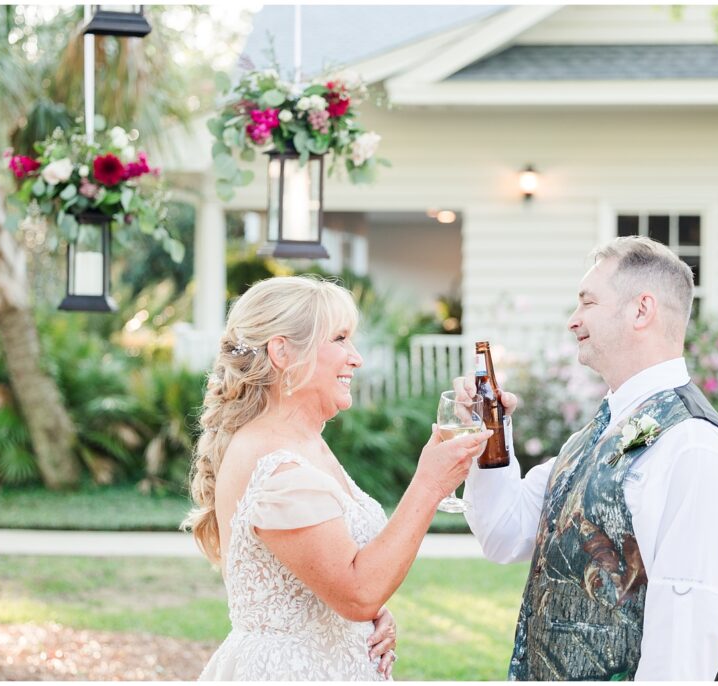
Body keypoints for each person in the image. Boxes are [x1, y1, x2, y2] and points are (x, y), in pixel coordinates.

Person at [459, 236, 718, 680]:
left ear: (641, 310)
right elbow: (505, 533)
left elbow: (685, 637)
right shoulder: (596, 432)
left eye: (587, 302)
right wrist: (490, 435)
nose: (572, 321)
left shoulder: (694, 446)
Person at [184, 275, 492, 681]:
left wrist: (364, 622)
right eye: (339, 339)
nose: (356, 357)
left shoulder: (303, 443)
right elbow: (357, 592)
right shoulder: (278, 468)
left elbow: (338, 582)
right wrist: (429, 485)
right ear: (282, 352)